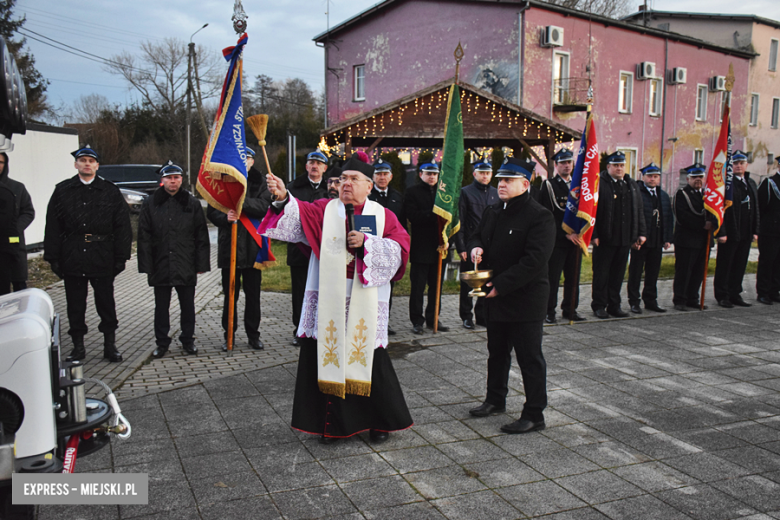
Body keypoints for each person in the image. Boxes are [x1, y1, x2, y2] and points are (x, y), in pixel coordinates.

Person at [260, 156, 412, 444]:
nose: (347, 184)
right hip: (330, 295)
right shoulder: (324, 211)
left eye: (354, 179)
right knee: (326, 356)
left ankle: (380, 423)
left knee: (371, 361)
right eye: (343, 178)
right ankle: (332, 426)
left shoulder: (383, 216)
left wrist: (368, 244)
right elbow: (297, 214)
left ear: (369, 185)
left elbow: (400, 248)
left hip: (365, 298)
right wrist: (282, 198)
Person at [466, 156, 554, 434]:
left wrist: (500, 285)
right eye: (500, 179)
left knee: (530, 358)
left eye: (507, 180)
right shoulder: (494, 210)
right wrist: (475, 248)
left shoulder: (540, 216)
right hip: (497, 297)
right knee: (497, 353)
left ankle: (534, 413)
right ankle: (495, 399)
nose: (500, 184)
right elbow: (476, 235)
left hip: (525, 299)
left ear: (525, 183)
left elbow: (534, 261)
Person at [44, 145, 132, 362]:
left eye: (91, 161)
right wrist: (53, 257)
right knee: (75, 304)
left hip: (102, 255)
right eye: (82, 160)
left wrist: (121, 257)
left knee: (105, 303)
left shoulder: (110, 191)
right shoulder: (63, 190)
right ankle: (78, 347)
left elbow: (122, 226)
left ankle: (110, 345)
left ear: (97, 165)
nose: (87, 164)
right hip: (73, 254)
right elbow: (53, 226)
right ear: (76, 165)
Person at [138, 161, 210, 358]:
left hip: (185, 262)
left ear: (181, 179)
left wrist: (201, 263)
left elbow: (201, 235)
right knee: (161, 307)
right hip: (160, 263)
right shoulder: (151, 203)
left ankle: (188, 340)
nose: (173, 181)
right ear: (162, 180)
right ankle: (162, 342)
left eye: (176, 177)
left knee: (188, 306)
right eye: (169, 177)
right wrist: (146, 264)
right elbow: (144, 236)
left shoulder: (192, 203)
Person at [207, 148, 272, 351]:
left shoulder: (260, 181)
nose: (243, 161)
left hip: (253, 248)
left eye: (247, 158)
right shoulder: (222, 180)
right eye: (240, 157)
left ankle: (253, 335)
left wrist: (241, 203)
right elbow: (212, 210)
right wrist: (225, 217)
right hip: (230, 248)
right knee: (230, 296)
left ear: (252, 161)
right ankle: (229, 335)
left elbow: (263, 206)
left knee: (253, 296)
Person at [590, 152, 646, 319]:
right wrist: (594, 234)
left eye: (622, 165)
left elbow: (639, 210)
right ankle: (599, 305)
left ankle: (614, 305)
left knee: (618, 275)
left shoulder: (631, 184)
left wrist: (640, 233)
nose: (619, 168)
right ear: (608, 167)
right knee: (601, 275)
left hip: (624, 238)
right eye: (616, 165)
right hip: (605, 239)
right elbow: (592, 211)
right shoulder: (599, 184)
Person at [286, 149, 330, 346]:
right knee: (300, 292)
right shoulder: (293, 188)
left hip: (323, 250)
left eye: (319, 163)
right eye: (311, 163)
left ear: (324, 168)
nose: (314, 166)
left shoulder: (330, 190)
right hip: (299, 250)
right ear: (306, 166)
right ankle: (299, 329)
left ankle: (320, 328)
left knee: (322, 290)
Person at [538, 149, 585, 323]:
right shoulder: (549, 185)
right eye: (563, 162)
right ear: (556, 165)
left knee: (573, 278)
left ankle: (570, 309)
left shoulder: (580, 185)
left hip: (577, 240)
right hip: (558, 241)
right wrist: (565, 234)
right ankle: (549, 311)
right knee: (553, 277)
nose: (567, 165)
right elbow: (547, 215)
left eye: (569, 162)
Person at [403, 161, 450, 334]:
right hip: (421, 248)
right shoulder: (412, 192)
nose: (431, 177)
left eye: (434, 174)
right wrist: (434, 214)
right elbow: (413, 216)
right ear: (421, 174)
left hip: (439, 247)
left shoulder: (443, 194)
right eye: (428, 173)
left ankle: (433, 318)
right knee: (418, 288)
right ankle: (417, 320)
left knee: (436, 287)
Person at [455, 156, 498, 329]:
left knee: (486, 280)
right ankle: (466, 316)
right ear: (474, 174)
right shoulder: (466, 192)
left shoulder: (496, 193)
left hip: (490, 245)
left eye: (488, 173)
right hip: (470, 245)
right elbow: (461, 221)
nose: (485, 176)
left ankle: (482, 315)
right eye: (482, 173)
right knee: (468, 283)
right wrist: (461, 247)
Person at [713, 150, 758, 309]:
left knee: (740, 264)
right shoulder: (726, 184)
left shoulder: (750, 182)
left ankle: (735, 293)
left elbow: (755, 208)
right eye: (735, 163)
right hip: (731, 232)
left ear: (746, 165)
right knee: (726, 265)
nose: (738, 166)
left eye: (741, 163)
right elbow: (719, 210)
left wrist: (755, 230)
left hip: (745, 232)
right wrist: (721, 231)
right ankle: (722, 295)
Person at [626, 163, 673, 314]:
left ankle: (651, 300)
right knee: (636, 272)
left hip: (656, 240)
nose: (653, 179)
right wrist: (634, 238)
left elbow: (668, 217)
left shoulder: (663, 195)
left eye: (656, 176)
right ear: (643, 177)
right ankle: (634, 301)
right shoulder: (636, 193)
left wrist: (667, 238)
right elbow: (632, 217)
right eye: (650, 176)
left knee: (653, 272)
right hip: (641, 241)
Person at [368, 158, 406, 335]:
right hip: (369, 248)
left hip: (389, 250)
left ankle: (384, 321)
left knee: (387, 288)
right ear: (373, 177)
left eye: (385, 174)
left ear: (390, 177)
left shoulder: (398, 197)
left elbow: (402, 226)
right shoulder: (367, 197)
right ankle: (368, 320)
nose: (382, 177)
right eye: (378, 174)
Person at [671, 164, 710, 311]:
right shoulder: (682, 194)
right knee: (684, 271)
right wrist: (703, 224)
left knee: (698, 272)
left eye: (700, 177)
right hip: (686, 240)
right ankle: (680, 299)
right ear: (688, 179)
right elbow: (682, 217)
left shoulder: (707, 195)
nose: (698, 180)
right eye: (694, 177)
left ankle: (693, 298)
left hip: (702, 240)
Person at [0, 152, 34, 295]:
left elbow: (28, 212)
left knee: (19, 283)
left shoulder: (17, 188)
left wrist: (15, 228)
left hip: (13, 242)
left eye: (1, 162)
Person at [756, 156, 780, 305]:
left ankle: (774, 291)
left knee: (778, 263)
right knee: (767, 261)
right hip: (770, 230)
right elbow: (761, 207)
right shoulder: (769, 183)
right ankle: (763, 292)